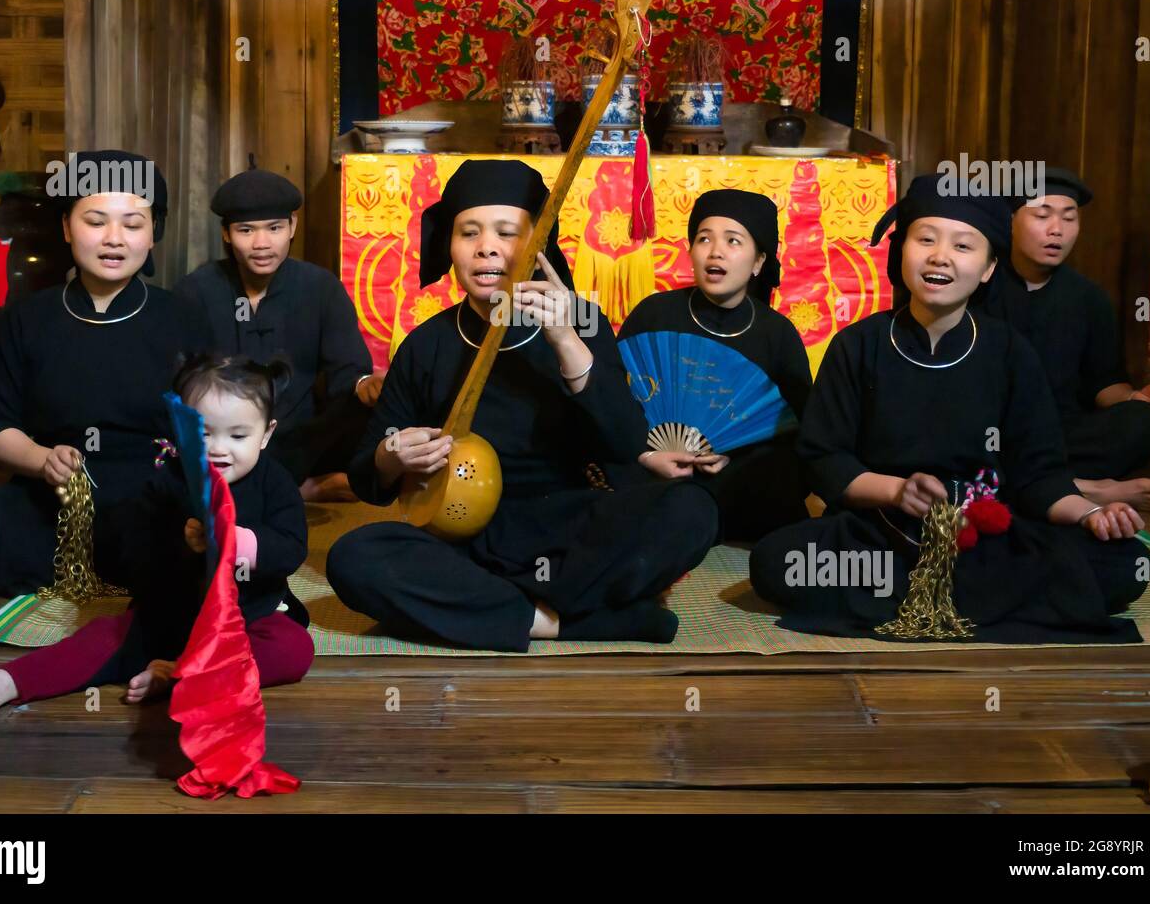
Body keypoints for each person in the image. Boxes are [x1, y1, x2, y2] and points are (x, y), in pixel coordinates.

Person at [325, 159, 717, 652]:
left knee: (691, 510)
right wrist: (392, 456)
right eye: (469, 232)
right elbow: (367, 475)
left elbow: (622, 444)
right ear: (450, 245)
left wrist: (565, 340)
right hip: (465, 541)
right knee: (354, 557)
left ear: (537, 249)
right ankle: (569, 622)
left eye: (507, 233)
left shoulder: (582, 322)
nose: (487, 246)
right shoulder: (427, 344)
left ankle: (490, 609)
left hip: (569, 529)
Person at [749, 174, 1150, 643]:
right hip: (883, 538)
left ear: (987, 269)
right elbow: (824, 461)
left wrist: (1088, 515)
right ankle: (968, 598)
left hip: (984, 536)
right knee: (776, 563)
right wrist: (898, 492)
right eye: (925, 239)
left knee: (1128, 564)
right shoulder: (858, 346)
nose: (940, 256)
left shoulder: (1009, 352)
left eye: (963, 246)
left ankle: (931, 595)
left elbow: (1039, 475)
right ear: (902, 252)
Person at [0, 353, 313, 713]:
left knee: (294, 648)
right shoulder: (168, 482)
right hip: (174, 617)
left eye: (238, 436)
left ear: (265, 434)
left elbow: (291, 546)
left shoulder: (274, 482)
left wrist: (240, 542)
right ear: (180, 429)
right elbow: (134, 552)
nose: (218, 449)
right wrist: (181, 542)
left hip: (248, 619)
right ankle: (4, 683)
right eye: (204, 434)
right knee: (105, 638)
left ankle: (185, 675)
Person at [0, 150, 199, 596]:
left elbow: (211, 429)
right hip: (50, 502)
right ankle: (101, 572)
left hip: (153, 503)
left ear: (154, 233)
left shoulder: (182, 319)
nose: (113, 238)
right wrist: (43, 461)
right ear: (66, 226)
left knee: (187, 540)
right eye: (96, 221)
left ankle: (79, 571)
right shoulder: (29, 319)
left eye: (133, 224)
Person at [174, 165, 379, 503]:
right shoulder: (196, 290)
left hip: (299, 438)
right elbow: (181, 375)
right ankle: (300, 491)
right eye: (246, 230)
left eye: (274, 228)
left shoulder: (321, 288)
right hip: (222, 437)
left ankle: (289, 484)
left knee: (365, 412)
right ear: (226, 234)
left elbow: (349, 372)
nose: (262, 244)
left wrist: (365, 384)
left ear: (292, 227)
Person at [983, 168, 1150, 511]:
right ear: (1010, 221)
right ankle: (1084, 488)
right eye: (1042, 215)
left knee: (1141, 424)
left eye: (1069, 218)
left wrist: (1137, 397)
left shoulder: (1089, 298)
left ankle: (1036, 485)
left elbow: (1105, 385)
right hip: (992, 427)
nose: (1056, 229)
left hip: (1060, 432)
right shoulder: (979, 286)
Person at [619, 189, 811, 542]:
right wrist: (646, 454)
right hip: (654, 475)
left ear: (758, 262)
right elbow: (614, 403)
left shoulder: (777, 335)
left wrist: (732, 461)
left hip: (739, 485)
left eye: (733, 241)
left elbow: (799, 436)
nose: (715, 251)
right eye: (704, 239)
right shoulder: (653, 314)